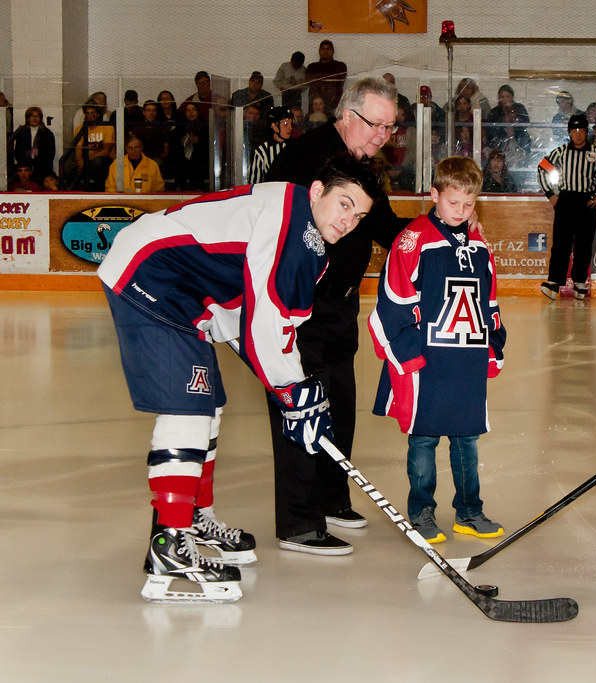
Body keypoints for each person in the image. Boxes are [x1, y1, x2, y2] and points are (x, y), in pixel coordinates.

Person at [97, 154, 382, 603]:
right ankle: (169, 544)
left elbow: (267, 323)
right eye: (344, 204)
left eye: (359, 215)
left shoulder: (308, 242)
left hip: (188, 296)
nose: (349, 220)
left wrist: (297, 391)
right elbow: (266, 320)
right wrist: (294, 391)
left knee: (208, 403)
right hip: (151, 276)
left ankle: (191, 518)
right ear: (316, 191)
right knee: (187, 406)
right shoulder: (289, 223)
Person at [263, 76, 410, 555]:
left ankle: (330, 498)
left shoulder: (364, 165)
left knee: (339, 406)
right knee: (300, 408)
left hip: (341, 305)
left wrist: (438, 228)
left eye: (390, 128)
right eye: (376, 125)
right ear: (347, 116)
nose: (383, 136)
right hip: (299, 306)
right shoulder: (307, 157)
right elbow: (273, 222)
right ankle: (299, 523)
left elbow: (386, 225)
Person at [368, 156, 506, 543]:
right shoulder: (413, 239)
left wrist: (493, 346)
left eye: (468, 204)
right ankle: (422, 512)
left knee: (466, 438)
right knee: (424, 439)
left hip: (464, 360)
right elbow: (393, 300)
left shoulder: (478, 244)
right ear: (434, 194)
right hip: (426, 363)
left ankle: (469, 511)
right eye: (453, 203)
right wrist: (409, 354)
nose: (461, 212)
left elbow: (488, 301)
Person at [537, 114, 596, 300]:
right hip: (566, 200)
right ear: (569, 132)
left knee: (584, 245)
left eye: (582, 131)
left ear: (586, 132)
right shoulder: (561, 152)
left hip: (586, 201)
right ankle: (554, 281)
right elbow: (543, 167)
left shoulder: (595, 153)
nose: (578, 135)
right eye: (575, 131)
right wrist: (550, 194)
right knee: (561, 244)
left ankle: (579, 282)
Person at [484, 84, 532, 171]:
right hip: (501, 142)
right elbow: (490, 130)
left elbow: (525, 122)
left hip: (519, 140)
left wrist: (514, 128)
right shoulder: (495, 111)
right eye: (502, 97)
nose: (505, 99)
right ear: (499, 98)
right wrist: (503, 130)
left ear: (512, 97)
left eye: (507, 96)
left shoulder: (519, 108)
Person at [74, 103, 116, 191]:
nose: (90, 116)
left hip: (105, 160)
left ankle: (99, 192)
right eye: (87, 113)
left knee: (97, 162)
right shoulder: (79, 129)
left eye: (92, 113)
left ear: (97, 114)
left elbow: (106, 151)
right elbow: (78, 148)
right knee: (69, 166)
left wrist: (87, 158)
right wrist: (79, 160)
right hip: (88, 160)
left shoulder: (107, 127)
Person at [11, 106, 56, 185]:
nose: (34, 118)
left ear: (40, 118)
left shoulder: (47, 134)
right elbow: (17, 151)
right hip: (25, 168)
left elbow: (50, 154)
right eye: (32, 116)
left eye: (37, 116)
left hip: (42, 168)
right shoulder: (21, 132)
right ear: (28, 118)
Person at [248, 106, 293, 184]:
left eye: (291, 124)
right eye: (285, 124)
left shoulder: (296, 147)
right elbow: (254, 185)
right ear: (274, 126)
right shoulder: (261, 151)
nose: (290, 128)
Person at [305, 39, 347, 113]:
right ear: (319, 51)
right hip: (315, 107)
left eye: (328, 49)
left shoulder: (340, 66)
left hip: (333, 107)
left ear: (333, 51)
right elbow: (309, 81)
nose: (325, 51)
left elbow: (339, 81)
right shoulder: (312, 67)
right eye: (323, 49)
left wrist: (319, 78)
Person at [176, 101, 209, 191]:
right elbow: (175, 144)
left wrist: (197, 140)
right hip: (184, 158)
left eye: (193, 110)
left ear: (198, 112)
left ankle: (198, 189)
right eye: (188, 110)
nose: (191, 112)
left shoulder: (204, 126)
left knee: (198, 163)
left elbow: (206, 144)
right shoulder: (180, 126)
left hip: (200, 158)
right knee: (178, 163)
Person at [131, 100, 172, 170]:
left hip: (157, 159)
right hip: (140, 158)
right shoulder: (137, 128)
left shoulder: (162, 128)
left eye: (154, 111)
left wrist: (157, 158)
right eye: (148, 110)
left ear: (156, 113)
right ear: (144, 112)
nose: (151, 113)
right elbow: (133, 148)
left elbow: (166, 150)